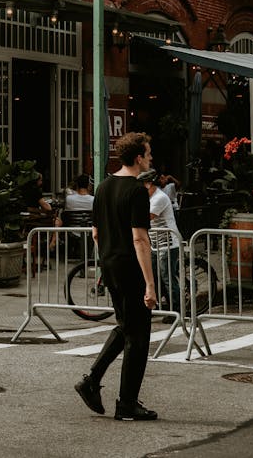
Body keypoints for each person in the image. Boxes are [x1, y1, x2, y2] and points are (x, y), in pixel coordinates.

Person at [74, 131, 158, 422]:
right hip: (130, 267)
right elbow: (140, 240)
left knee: (126, 327)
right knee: (139, 335)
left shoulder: (105, 187)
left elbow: (96, 233)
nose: (151, 159)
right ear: (138, 158)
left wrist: (107, 258)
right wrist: (149, 283)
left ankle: (91, 381)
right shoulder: (136, 191)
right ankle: (126, 403)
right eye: (148, 155)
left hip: (110, 265)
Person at [138, 169, 182, 315]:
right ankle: (156, 306)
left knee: (167, 278)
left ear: (149, 184)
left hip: (169, 243)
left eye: (143, 186)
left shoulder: (159, 198)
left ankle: (177, 310)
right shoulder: (148, 197)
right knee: (154, 276)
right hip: (155, 244)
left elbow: (146, 217)